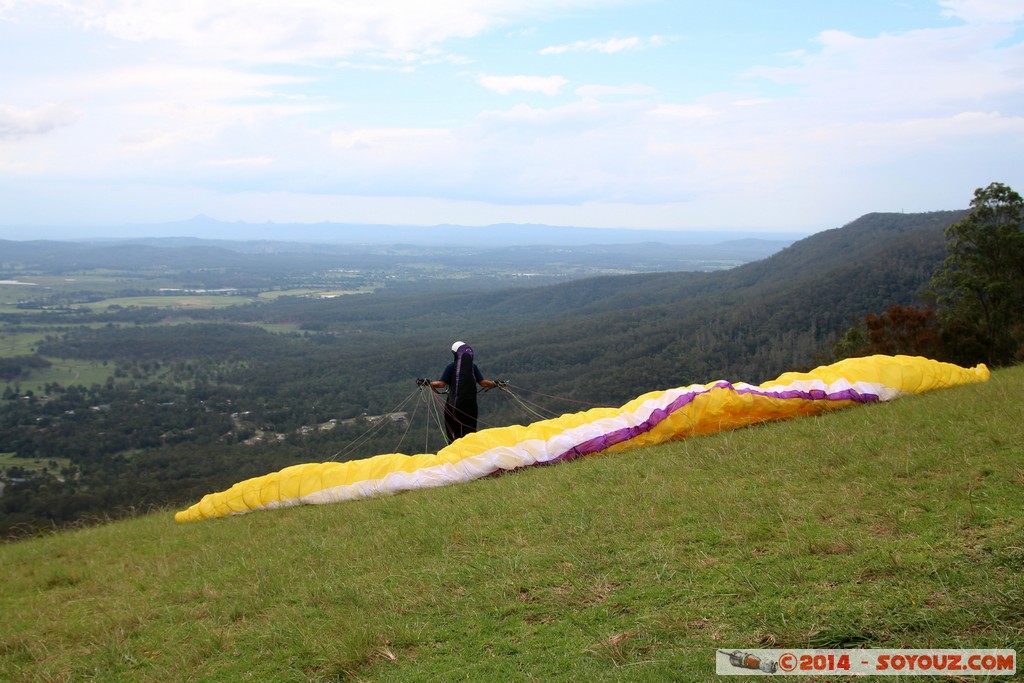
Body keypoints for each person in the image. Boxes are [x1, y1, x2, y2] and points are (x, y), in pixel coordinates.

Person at [417, 341, 499, 443]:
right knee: (469, 431)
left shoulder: (451, 367)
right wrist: (496, 383)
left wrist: (428, 383)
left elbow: (441, 384)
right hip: (471, 406)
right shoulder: (473, 367)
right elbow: (483, 383)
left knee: (455, 433)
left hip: (454, 406)